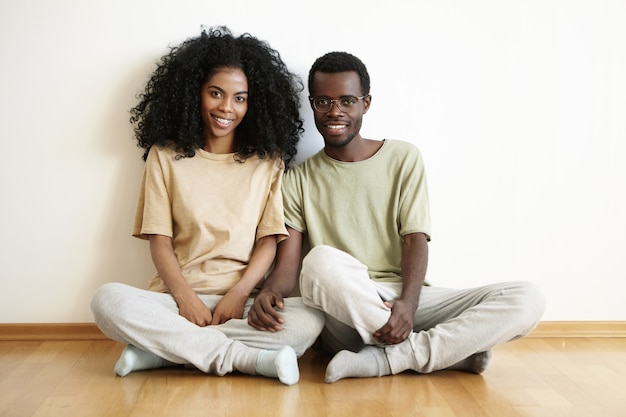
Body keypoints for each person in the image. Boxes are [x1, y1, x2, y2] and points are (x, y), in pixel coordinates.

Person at [248, 51, 546, 383]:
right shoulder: (299, 178)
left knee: (527, 298)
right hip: (344, 309)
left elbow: (415, 238)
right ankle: (450, 351)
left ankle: (390, 359)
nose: (335, 112)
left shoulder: (403, 157)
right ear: (313, 104)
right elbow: (289, 268)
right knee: (318, 262)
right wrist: (269, 291)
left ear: (366, 103)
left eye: (347, 101)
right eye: (323, 102)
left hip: (403, 298)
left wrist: (408, 302)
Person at [90, 27, 324, 386]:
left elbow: (268, 242)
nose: (226, 108)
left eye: (240, 98)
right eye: (216, 93)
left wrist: (239, 294)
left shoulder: (268, 162)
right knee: (107, 300)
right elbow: (160, 241)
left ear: (254, 103)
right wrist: (185, 300)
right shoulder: (164, 156)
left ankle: (160, 352)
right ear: (194, 93)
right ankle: (245, 358)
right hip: (174, 301)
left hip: (242, 303)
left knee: (309, 320)